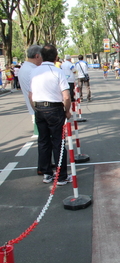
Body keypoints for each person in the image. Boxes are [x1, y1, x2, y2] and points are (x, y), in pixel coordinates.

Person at [29, 44, 72, 186]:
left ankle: (47, 173)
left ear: (41, 56)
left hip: (39, 108)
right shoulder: (57, 72)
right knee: (58, 142)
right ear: (55, 57)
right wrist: (67, 111)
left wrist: (35, 109)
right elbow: (66, 96)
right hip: (54, 109)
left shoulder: (34, 72)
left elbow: (30, 95)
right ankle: (61, 176)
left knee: (43, 141)